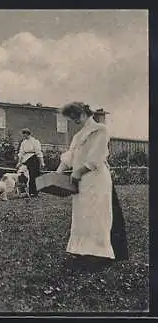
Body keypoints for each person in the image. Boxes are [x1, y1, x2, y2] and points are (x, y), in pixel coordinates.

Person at [56, 101, 129, 272]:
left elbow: (95, 158)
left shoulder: (100, 130)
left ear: (85, 112)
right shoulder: (77, 136)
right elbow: (69, 157)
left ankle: (99, 254)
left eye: (76, 115)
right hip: (80, 182)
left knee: (97, 214)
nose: (74, 119)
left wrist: (78, 172)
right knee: (82, 216)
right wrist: (58, 173)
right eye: (71, 117)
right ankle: (82, 251)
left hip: (96, 179)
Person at [16, 128, 45, 197]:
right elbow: (21, 153)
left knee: (34, 176)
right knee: (24, 175)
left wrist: (42, 162)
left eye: (25, 134)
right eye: (23, 135)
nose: (24, 136)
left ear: (28, 134)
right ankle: (25, 192)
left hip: (33, 159)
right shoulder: (23, 142)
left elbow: (38, 152)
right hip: (25, 160)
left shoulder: (35, 141)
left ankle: (34, 192)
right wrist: (19, 162)